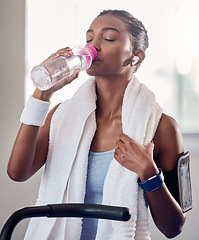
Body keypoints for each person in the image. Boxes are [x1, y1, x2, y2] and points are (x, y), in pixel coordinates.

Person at [8, 9, 187, 240]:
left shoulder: (161, 128)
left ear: (135, 57)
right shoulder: (61, 116)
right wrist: (42, 94)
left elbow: (173, 227)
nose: (92, 46)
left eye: (108, 38)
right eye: (89, 39)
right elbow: (17, 173)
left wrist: (148, 172)